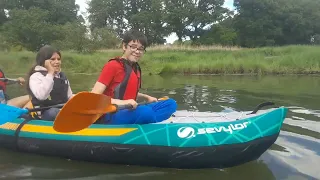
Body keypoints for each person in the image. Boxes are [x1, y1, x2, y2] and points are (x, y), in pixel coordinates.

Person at [91, 29, 177, 124]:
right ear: (124, 46)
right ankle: (148, 121)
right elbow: (93, 98)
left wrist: (146, 97)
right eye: (133, 47)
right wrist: (122, 102)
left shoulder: (134, 68)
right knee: (146, 112)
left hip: (128, 111)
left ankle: (146, 119)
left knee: (171, 104)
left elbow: (127, 91)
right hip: (110, 113)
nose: (137, 51)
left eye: (141, 48)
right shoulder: (112, 66)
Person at [26, 45, 73, 121]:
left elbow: (69, 96)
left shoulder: (62, 77)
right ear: (44, 61)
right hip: (45, 115)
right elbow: (42, 96)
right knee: (53, 112)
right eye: (53, 59)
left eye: (58, 59)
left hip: (63, 111)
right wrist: (50, 73)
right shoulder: (36, 77)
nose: (57, 62)